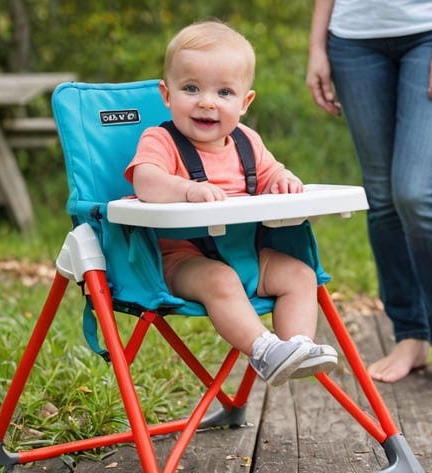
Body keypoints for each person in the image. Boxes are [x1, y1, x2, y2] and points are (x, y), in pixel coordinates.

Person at [125, 20, 337, 387]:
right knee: (219, 279)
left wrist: (284, 180)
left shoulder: (247, 142)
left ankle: (296, 346)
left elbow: (272, 173)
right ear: (167, 94)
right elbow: (145, 180)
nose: (207, 101)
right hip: (183, 262)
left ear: (244, 103)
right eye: (191, 88)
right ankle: (264, 350)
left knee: (300, 276)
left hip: (249, 254)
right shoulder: (161, 140)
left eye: (224, 92)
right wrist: (186, 190)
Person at [306, 1, 432, 400]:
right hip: (354, 38)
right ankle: (410, 335)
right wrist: (317, 45)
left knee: (417, 193)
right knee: (383, 197)